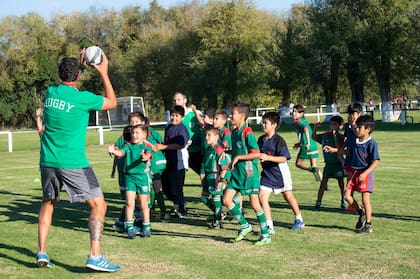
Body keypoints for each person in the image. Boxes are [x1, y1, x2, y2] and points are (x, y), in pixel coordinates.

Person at [37, 53, 120, 272]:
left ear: (59, 73)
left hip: (47, 161)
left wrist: (79, 66)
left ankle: (42, 252)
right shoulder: (82, 98)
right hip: (73, 162)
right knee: (99, 205)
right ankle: (95, 255)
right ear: (79, 75)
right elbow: (112, 102)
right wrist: (103, 72)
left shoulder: (51, 92)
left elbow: (67, 83)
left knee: (48, 203)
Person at [223, 102, 271, 246]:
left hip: (249, 173)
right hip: (237, 173)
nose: (230, 116)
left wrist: (238, 158)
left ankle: (266, 234)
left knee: (255, 204)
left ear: (242, 116)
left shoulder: (247, 132)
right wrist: (228, 153)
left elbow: (256, 153)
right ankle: (245, 226)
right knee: (226, 200)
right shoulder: (235, 132)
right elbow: (238, 151)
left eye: (233, 114)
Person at [258, 112, 305, 234]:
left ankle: (299, 219)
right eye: (262, 122)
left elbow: (284, 158)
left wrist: (268, 158)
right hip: (267, 174)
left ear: (274, 125)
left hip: (280, 173)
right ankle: (269, 226)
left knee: (288, 196)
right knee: (262, 197)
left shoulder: (279, 140)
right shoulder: (260, 140)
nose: (262, 125)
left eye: (265, 123)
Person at [108, 124, 153, 239]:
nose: (134, 135)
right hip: (129, 178)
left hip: (142, 178)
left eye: (137, 133)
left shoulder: (146, 146)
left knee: (143, 204)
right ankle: (129, 227)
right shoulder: (128, 147)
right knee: (129, 203)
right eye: (133, 133)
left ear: (144, 135)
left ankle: (146, 227)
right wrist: (113, 151)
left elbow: (148, 154)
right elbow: (121, 153)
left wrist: (146, 157)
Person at [344, 115, 380, 233]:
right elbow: (349, 152)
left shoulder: (371, 143)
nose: (357, 129)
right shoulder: (355, 140)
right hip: (354, 172)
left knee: (365, 198)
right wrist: (336, 150)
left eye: (360, 127)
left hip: (365, 173)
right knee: (347, 196)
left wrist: (365, 173)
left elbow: (376, 161)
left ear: (367, 129)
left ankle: (368, 225)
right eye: (357, 127)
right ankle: (361, 212)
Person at [156, 105, 190, 218]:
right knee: (165, 188)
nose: (174, 118)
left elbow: (180, 145)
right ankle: (178, 204)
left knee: (177, 188)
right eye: (172, 115)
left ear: (182, 117)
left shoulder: (182, 129)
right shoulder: (168, 127)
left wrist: (163, 147)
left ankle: (181, 209)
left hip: (178, 163)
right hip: (168, 163)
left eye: (177, 116)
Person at [312, 115, 346, 210]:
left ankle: (344, 201)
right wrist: (315, 128)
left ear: (340, 126)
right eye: (331, 124)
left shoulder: (341, 137)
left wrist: (335, 137)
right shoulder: (325, 135)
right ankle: (318, 202)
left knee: (341, 183)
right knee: (323, 183)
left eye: (335, 124)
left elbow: (340, 149)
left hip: (338, 163)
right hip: (328, 164)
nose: (332, 126)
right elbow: (314, 137)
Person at [201, 128, 229, 229]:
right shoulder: (208, 149)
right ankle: (220, 214)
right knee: (204, 198)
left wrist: (221, 180)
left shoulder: (218, 149)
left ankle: (217, 221)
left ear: (216, 137)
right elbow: (203, 164)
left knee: (216, 198)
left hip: (216, 176)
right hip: (208, 177)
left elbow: (224, 167)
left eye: (209, 135)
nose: (206, 137)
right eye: (206, 135)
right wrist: (202, 175)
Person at [110, 125, 133, 233]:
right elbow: (116, 154)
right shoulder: (126, 146)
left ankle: (125, 222)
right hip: (127, 177)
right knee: (129, 201)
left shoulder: (137, 145)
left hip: (132, 177)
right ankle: (122, 222)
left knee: (132, 202)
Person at [172, 92, 202, 175]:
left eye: (178, 100)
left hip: (197, 149)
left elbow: (203, 130)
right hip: (182, 150)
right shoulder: (174, 117)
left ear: (185, 100)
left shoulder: (194, 114)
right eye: (174, 100)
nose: (176, 102)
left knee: (204, 173)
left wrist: (194, 141)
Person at [292, 104, 322, 182]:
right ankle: (324, 184)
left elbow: (305, 129)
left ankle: (312, 170)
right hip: (313, 145)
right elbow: (307, 128)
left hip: (307, 146)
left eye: (296, 112)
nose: (293, 113)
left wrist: (307, 143)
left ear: (301, 113)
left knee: (298, 164)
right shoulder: (303, 119)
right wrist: (299, 143)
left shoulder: (298, 121)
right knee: (314, 166)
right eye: (293, 111)